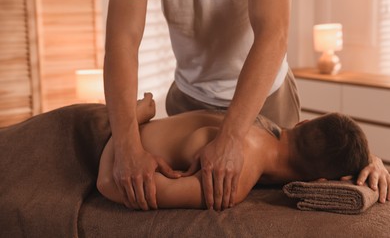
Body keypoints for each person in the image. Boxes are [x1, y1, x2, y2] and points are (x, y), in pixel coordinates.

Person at [103, 0, 389, 211]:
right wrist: (126, 149)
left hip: (266, 95)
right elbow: (122, 42)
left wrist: (364, 158)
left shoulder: (276, 138)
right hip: (190, 93)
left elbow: (273, 33)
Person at [97, 93, 373, 209]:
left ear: (303, 122)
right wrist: (129, 122)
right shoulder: (235, 172)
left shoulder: (255, 121)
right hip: (97, 141)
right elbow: (109, 182)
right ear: (318, 184)